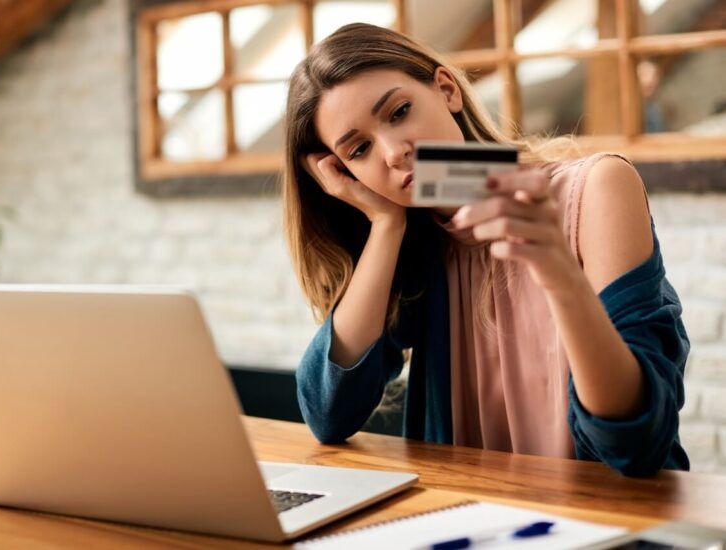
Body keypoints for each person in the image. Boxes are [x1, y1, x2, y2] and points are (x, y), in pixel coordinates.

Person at [282, 23, 689, 477]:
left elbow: (636, 443)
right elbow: (327, 414)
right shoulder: (419, 238)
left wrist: (560, 276)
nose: (395, 152)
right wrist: (385, 223)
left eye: (399, 113)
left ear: (446, 90)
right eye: (359, 149)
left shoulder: (596, 187)